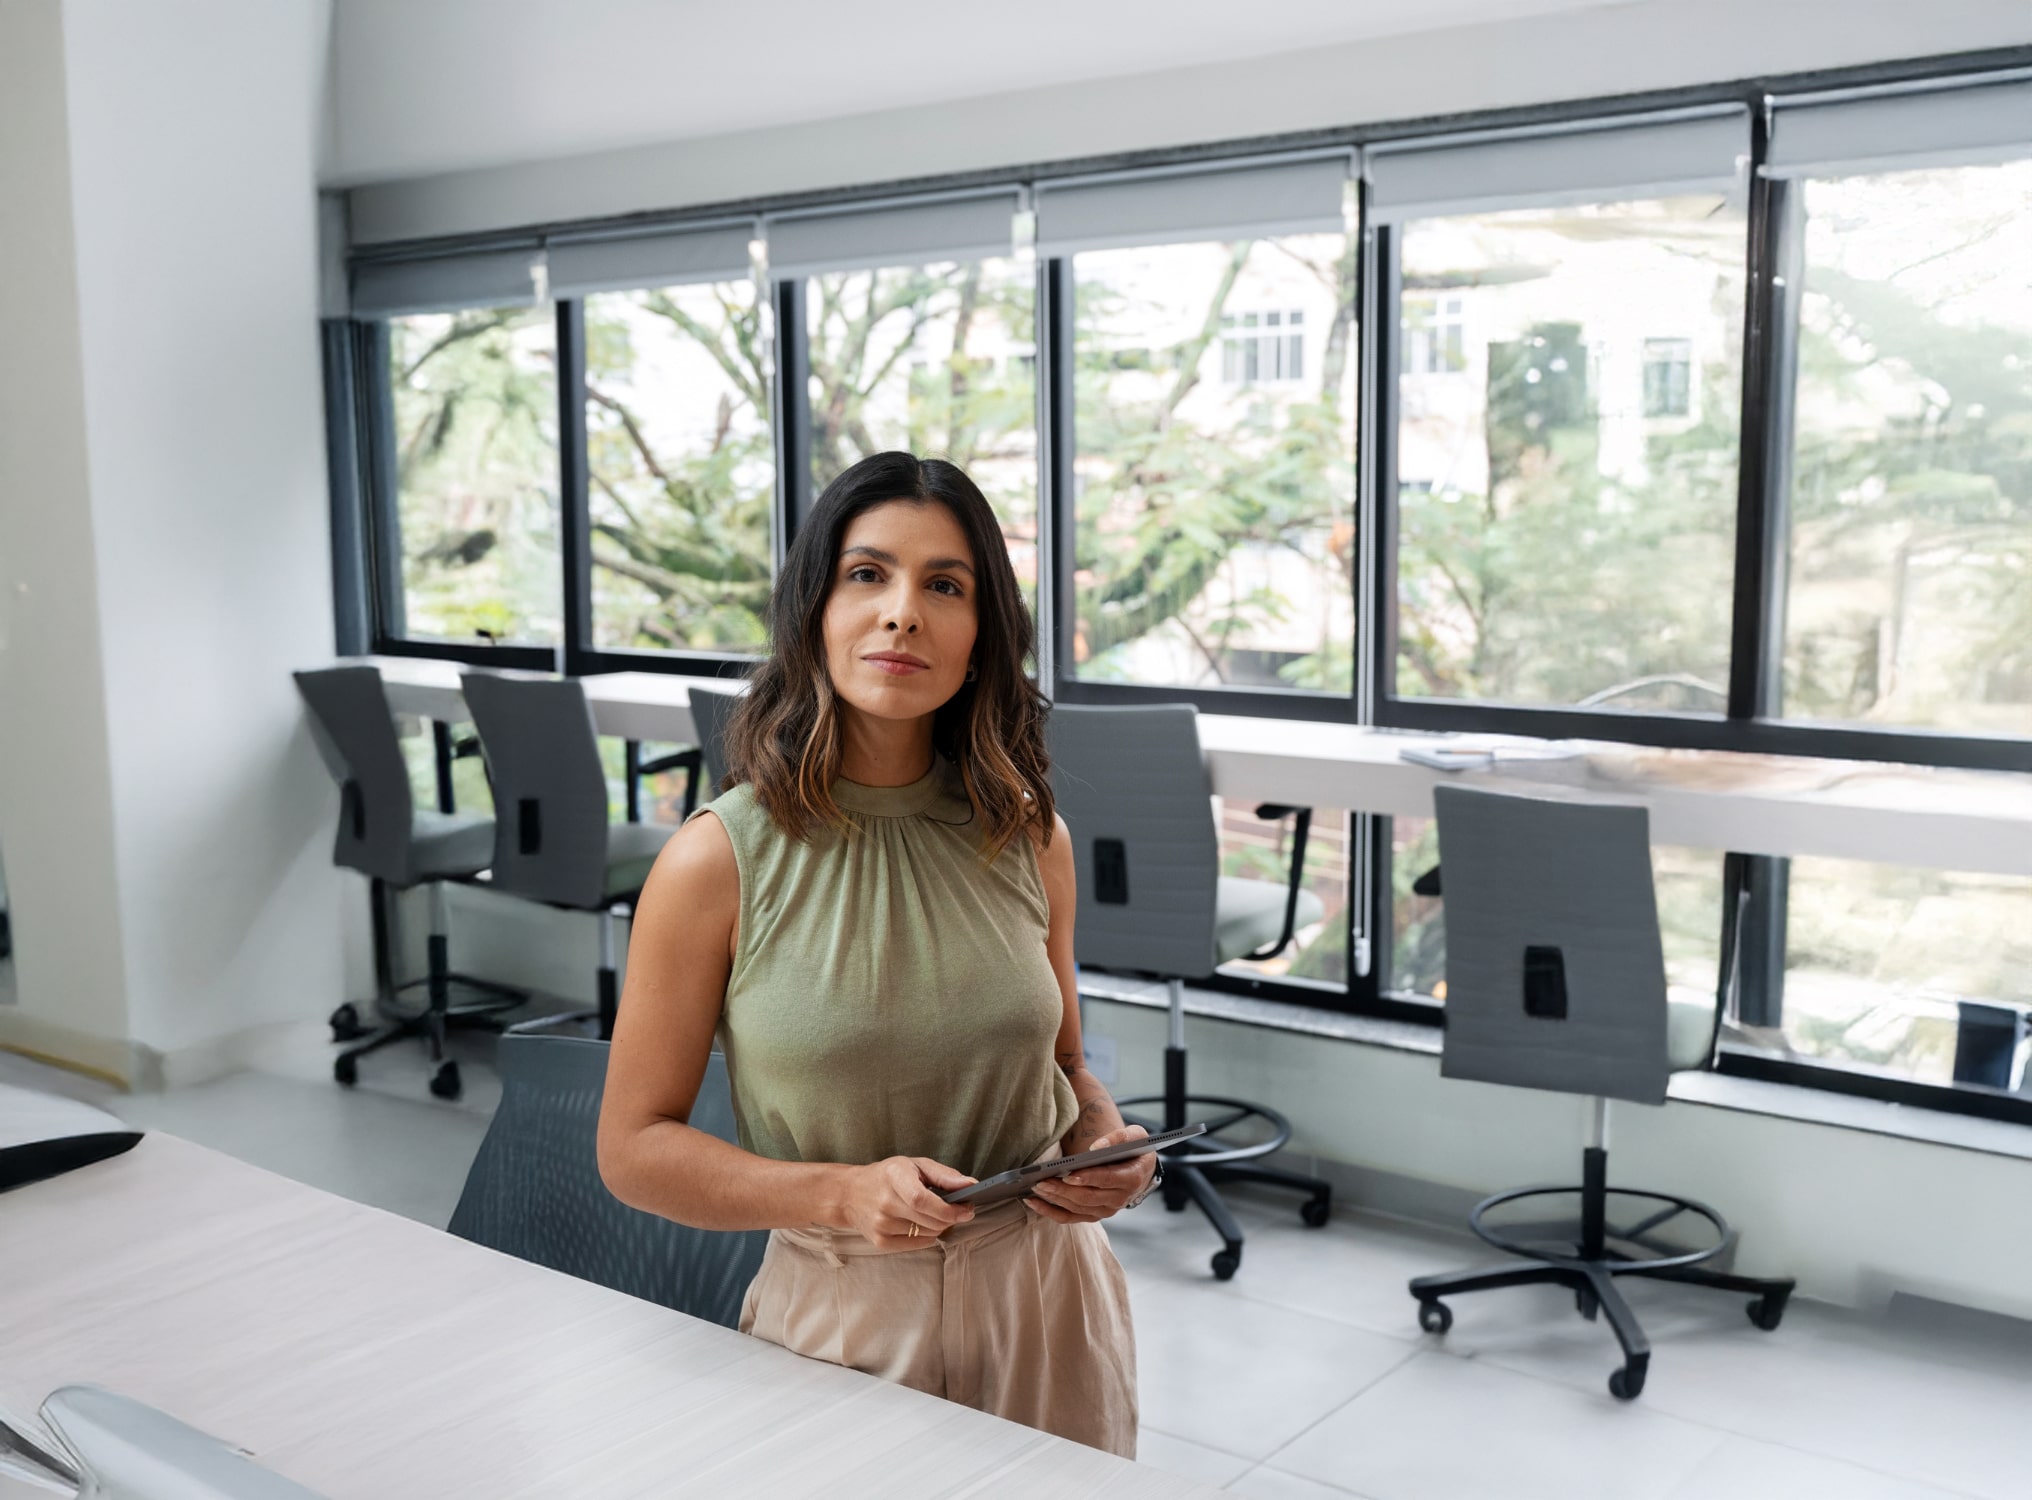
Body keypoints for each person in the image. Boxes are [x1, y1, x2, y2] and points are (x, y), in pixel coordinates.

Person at [597, 451, 1150, 1456]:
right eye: (868, 575)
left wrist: (1101, 1145)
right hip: (843, 1314)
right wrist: (841, 1192)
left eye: (945, 586)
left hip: (1051, 1301)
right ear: (814, 610)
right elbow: (632, 1149)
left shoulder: (1029, 835)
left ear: (982, 637)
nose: (903, 613)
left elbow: (1064, 1065)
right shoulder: (715, 858)